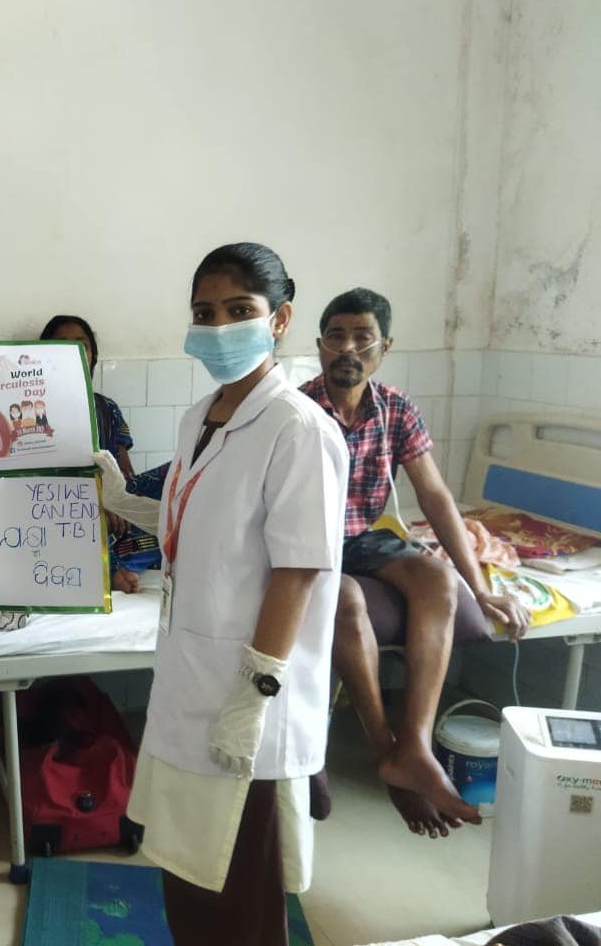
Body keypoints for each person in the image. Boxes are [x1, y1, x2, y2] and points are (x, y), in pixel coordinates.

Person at [96, 243, 348, 946]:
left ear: (280, 319)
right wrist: (123, 500)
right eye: (204, 313)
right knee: (186, 870)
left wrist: (255, 692)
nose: (218, 327)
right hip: (190, 680)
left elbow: (298, 570)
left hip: (247, 700)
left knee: (241, 893)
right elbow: (197, 519)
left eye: (239, 310)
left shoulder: (298, 429)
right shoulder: (200, 416)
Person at [300, 287, 529, 837]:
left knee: (436, 577)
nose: (347, 349)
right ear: (320, 345)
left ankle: (417, 746)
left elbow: (434, 497)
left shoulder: (396, 408)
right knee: (345, 598)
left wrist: (480, 588)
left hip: (363, 537)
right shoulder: (299, 410)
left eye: (362, 337)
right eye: (336, 337)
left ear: (384, 348)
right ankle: (389, 754)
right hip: (308, 542)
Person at [40, 314, 144, 593]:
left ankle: (109, 560)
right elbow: (36, 482)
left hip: (111, 508)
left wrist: (115, 501)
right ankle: (108, 567)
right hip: (61, 507)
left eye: (81, 344)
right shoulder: (35, 411)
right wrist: (94, 502)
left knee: (168, 499)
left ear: (92, 355)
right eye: (61, 344)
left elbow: (125, 475)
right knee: (68, 519)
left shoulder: (107, 408)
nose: (73, 351)